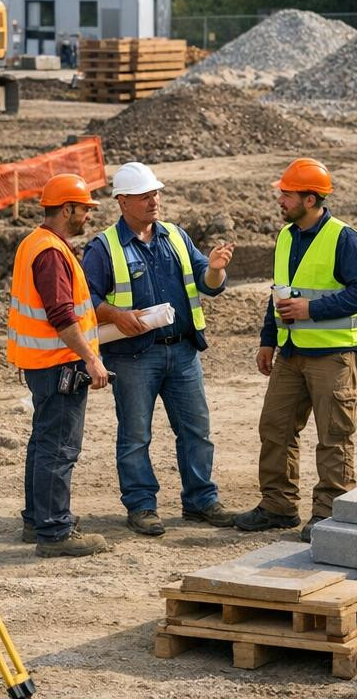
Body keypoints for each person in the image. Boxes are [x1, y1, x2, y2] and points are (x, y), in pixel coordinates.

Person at [80, 162, 237, 537]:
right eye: (145, 195)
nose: (154, 201)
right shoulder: (104, 248)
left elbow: (208, 283)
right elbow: (85, 298)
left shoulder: (175, 237)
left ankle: (201, 500)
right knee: (136, 435)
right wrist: (116, 315)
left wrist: (215, 269)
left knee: (196, 429)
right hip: (134, 356)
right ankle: (141, 505)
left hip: (182, 352)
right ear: (122, 201)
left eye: (156, 194)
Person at [235, 158, 357, 542]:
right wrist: (268, 339)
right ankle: (278, 506)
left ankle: (331, 512)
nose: (280, 200)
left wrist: (312, 309)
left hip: (334, 354)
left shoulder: (344, 238)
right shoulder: (286, 236)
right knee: (275, 428)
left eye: (287, 194)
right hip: (291, 351)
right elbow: (279, 294)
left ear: (311, 199)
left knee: (334, 434)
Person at [8, 172, 112, 558]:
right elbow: (61, 315)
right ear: (66, 208)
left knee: (43, 443)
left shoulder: (35, 243)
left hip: (42, 364)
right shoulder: (51, 252)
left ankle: (39, 518)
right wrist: (91, 358)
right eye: (84, 209)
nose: (87, 216)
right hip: (60, 364)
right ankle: (54, 531)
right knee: (59, 447)